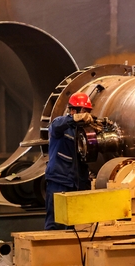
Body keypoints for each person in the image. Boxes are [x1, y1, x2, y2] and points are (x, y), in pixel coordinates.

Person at [44, 92, 93, 230]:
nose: (85, 114)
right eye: (82, 111)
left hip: (78, 183)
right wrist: (74, 119)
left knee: (76, 225)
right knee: (55, 222)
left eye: (87, 111)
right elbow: (58, 125)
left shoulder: (86, 131)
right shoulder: (60, 125)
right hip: (59, 180)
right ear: (72, 110)